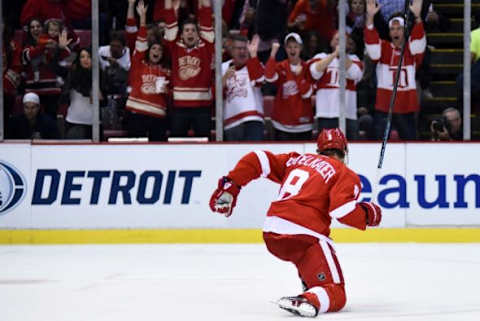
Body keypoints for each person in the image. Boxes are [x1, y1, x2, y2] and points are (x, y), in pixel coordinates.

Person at [209, 128, 382, 317]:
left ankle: (310, 283)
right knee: (336, 292)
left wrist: (233, 185)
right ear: (344, 152)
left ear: (319, 150)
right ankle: (311, 298)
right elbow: (341, 210)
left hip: (272, 232)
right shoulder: (344, 173)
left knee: (305, 253)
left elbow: (258, 158)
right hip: (305, 234)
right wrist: (369, 214)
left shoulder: (297, 160)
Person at [364, 0, 425, 140]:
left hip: (406, 106)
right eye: (392, 29)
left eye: (399, 28)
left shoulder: (411, 49)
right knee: (379, 144)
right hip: (385, 106)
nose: (395, 32)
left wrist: (417, 17)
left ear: (404, 30)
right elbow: (372, 49)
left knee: (410, 145)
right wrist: (370, 18)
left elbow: (419, 42)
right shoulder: (384, 48)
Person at [164, 0, 214, 139]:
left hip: (202, 106)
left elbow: (206, 15)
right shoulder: (175, 47)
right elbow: (169, 22)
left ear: (198, 34)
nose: (190, 33)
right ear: (182, 34)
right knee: (177, 144)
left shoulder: (206, 47)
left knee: (204, 145)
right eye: (186, 30)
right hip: (179, 106)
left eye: (193, 30)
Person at [125, 0, 171, 141]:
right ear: (148, 51)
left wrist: (167, 92)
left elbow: (172, 94)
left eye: (159, 50)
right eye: (153, 49)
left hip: (158, 115)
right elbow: (140, 40)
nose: (156, 51)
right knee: (133, 153)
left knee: (158, 154)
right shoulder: (139, 63)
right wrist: (143, 19)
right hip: (136, 113)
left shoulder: (166, 71)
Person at [309, 31, 363, 139]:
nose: (340, 43)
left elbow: (356, 74)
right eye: (337, 39)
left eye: (343, 40)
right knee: (326, 150)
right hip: (326, 113)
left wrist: (342, 55)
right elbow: (314, 71)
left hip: (348, 114)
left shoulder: (354, 59)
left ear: (348, 44)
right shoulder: (321, 56)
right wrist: (334, 55)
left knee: (350, 149)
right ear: (331, 42)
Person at [265, 33, 314, 140]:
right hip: (282, 125)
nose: (292, 50)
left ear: (301, 48)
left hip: (303, 125)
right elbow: (269, 77)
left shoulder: (307, 67)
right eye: (289, 47)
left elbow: (307, 94)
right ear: (285, 49)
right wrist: (273, 54)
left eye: (295, 47)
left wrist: (299, 77)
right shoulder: (281, 66)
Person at [221, 34, 265, 141]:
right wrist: (224, 79)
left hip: (252, 119)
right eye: (238, 48)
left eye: (245, 48)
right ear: (231, 50)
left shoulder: (255, 64)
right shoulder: (223, 67)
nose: (242, 52)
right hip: (231, 123)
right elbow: (217, 94)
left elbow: (259, 81)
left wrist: (253, 55)